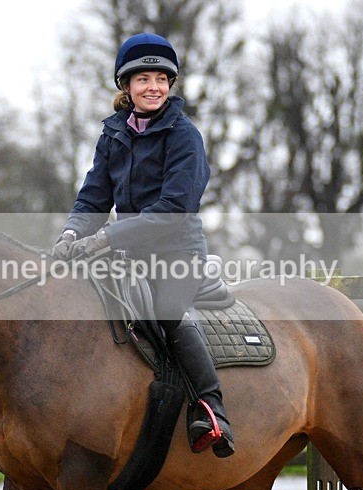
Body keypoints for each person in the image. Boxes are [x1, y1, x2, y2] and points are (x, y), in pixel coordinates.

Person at [50, 33, 234, 458]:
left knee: (167, 312)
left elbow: (173, 208)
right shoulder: (113, 134)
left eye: (161, 79)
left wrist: (106, 238)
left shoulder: (185, 136)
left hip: (178, 253)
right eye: (143, 79)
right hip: (125, 254)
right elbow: (93, 197)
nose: (153, 87)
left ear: (171, 84)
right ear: (125, 86)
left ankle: (212, 408)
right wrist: (72, 234)